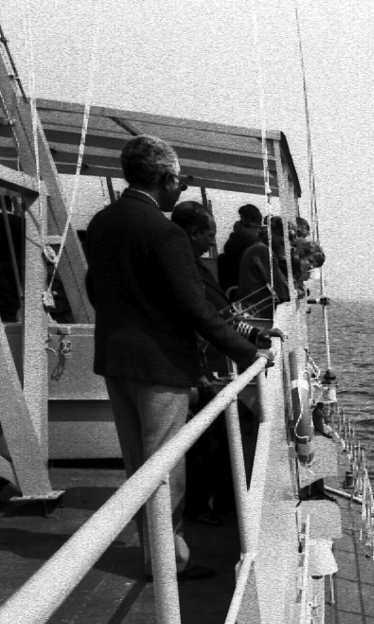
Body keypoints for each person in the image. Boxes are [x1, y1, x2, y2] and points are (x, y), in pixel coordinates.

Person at [85, 134, 268, 579]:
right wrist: (249, 353)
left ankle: (156, 556)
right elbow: (195, 308)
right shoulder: (164, 231)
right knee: (166, 469)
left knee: (138, 468)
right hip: (160, 367)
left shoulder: (103, 222)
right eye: (180, 181)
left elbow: (93, 287)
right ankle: (171, 564)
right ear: (166, 178)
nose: (180, 189)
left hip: (115, 361)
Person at [171, 200, 269, 525]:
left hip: (207, 363)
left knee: (221, 432)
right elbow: (202, 319)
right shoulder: (182, 268)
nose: (213, 241)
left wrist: (253, 335)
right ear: (193, 232)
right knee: (206, 438)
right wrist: (201, 371)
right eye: (209, 234)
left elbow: (219, 315)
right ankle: (199, 505)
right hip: (197, 366)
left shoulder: (193, 265)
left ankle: (224, 499)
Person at [237, 215, 292, 317]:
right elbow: (279, 285)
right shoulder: (261, 251)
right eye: (283, 240)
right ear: (274, 236)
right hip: (257, 309)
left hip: (254, 305)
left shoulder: (256, 248)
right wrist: (295, 292)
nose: (284, 245)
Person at [217, 202, 263, 291]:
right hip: (261, 274)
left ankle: (226, 291)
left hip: (246, 276)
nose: (240, 221)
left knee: (223, 258)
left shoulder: (244, 233)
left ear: (247, 218)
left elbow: (228, 249)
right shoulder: (266, 233)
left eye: (242, 217)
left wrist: (236, 232)